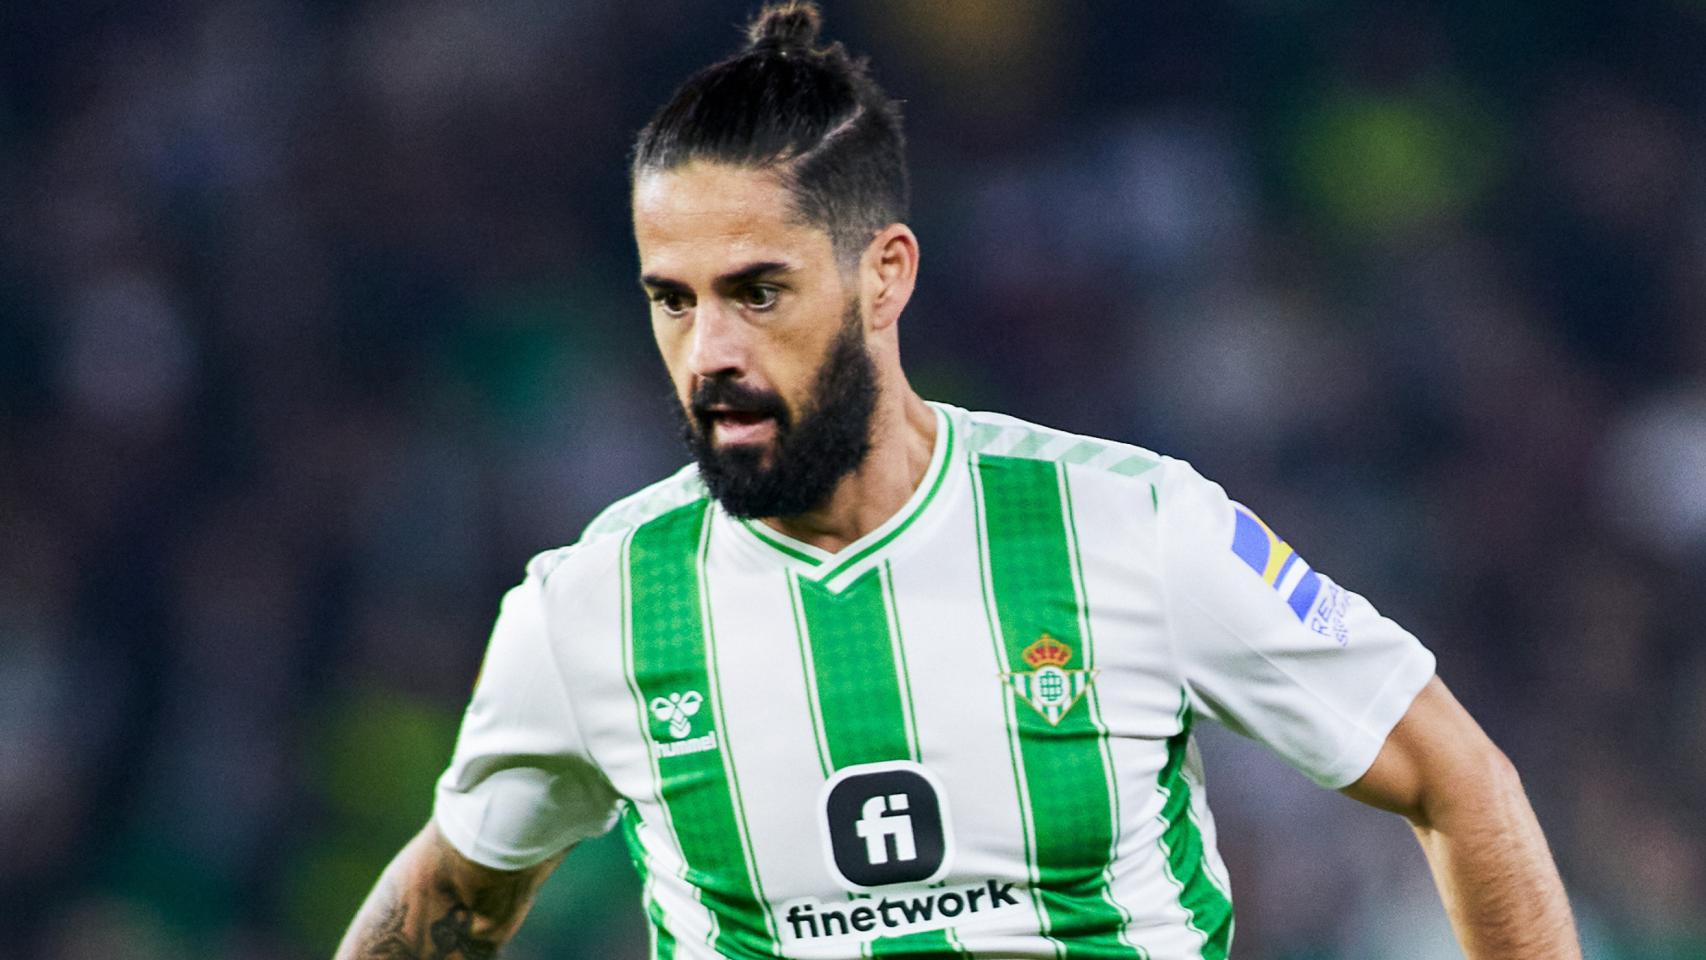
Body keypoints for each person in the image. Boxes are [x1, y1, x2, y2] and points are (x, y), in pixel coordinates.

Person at [335, 4, 1582, 958]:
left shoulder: (1127, 526)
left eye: (757, 291)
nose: (707, 352)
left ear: (883, 276)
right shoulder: (594, 606)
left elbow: (1456, 781)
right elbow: (451, 896)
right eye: (673, 300)